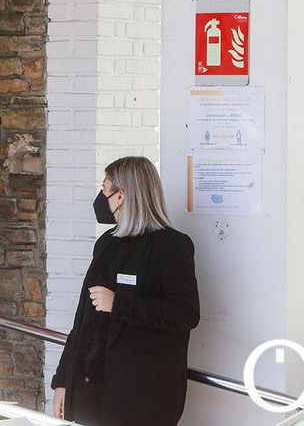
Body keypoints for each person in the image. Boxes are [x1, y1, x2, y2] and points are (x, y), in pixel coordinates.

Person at [51, 156, 199, 425]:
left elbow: (185, 314)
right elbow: (82, 320)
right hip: (89, 386)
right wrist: (62, 379)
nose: (101, 196)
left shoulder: (171, 246)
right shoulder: (107, 242)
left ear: (121, 196)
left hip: (139, 395)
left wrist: (119, 304)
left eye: (105, 187)